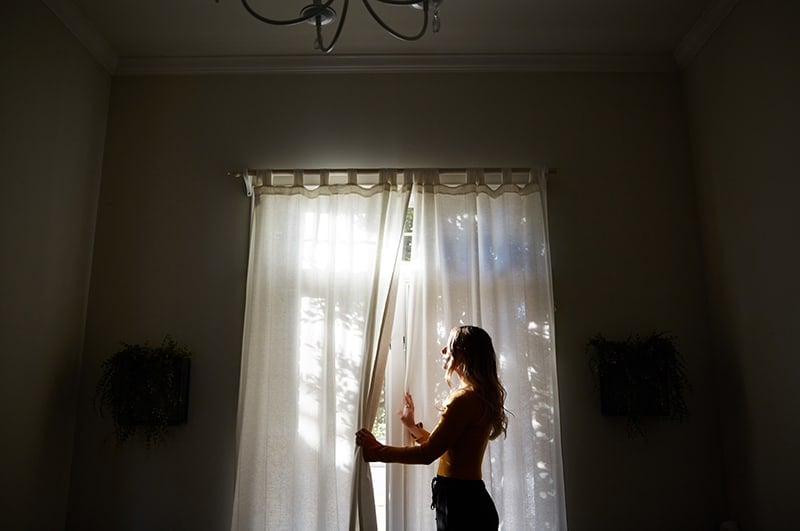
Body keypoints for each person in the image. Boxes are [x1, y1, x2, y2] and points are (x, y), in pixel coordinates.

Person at [355, 325, 508, 530]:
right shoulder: (479, 396)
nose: (443, 351)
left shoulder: (463, 399)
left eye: (449, 346)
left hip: (461, 506)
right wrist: (413, 427)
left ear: (463, 354)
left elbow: (427, 455)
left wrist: (375, 451)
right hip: (470, 502)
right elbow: (450, 448)